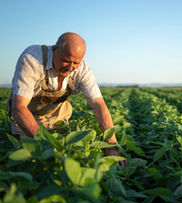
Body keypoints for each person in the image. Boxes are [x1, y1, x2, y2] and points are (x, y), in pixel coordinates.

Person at [8, 32, 126, 166]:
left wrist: (111, 145)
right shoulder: (32, 60)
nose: (70, 67)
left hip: (58, 118)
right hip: (27, 119)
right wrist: (47, 146)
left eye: (76, 63)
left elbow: (98, 104)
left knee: (67, 160)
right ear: (54, 49)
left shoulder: (83, 70)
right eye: (66, 60)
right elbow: (18, 108)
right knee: (31, 162)